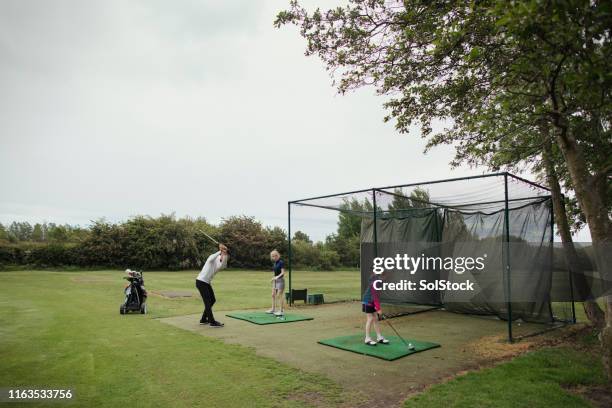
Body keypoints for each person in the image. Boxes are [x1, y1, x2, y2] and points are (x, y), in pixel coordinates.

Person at [196, 243, 229, 327]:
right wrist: (220, 251)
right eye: (222, 256)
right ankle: (212, 322)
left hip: (206, 283)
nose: (222, 258)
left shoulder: (219, 265)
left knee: (212, 300)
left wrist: (224, 253)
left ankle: (203, 319)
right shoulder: (212, 258)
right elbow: (211, 258)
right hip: (201, 281)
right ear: (219, 255)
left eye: (224, 257)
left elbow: (224, 265)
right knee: (207, 302)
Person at [362, 272, 389, 346]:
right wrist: (378, 308)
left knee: (376, 318)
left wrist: (377, 306)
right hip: (367, 301)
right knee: (370, 319)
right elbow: (375, 296)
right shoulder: (376, 283)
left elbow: (377, 296)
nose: (386, 278)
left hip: (372, 301)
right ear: (381, 276)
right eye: (384, 276)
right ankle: (367, 338)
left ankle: (379, 337)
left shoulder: (379, 281)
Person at [267, 249, 285, 316]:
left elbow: (283, 272)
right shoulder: (275, 263)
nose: (273, 257)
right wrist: (273, 278)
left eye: (274, 256)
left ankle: (281, 311)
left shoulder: (281, 262)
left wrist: (277, 277)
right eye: (272, 256)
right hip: (275, 281)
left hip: (280, 280)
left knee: (279, 295)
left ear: (277, 255)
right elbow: (275, 273)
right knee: (273, 295)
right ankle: (273, 309)